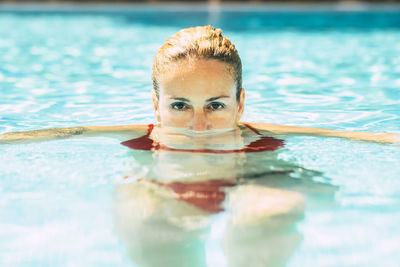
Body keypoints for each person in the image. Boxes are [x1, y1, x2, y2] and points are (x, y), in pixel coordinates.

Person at [0, 25, 399, 145]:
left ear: (240, 104)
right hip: (165, 197)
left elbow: (352, 137)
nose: (198, 125)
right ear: (155, 104)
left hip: (250, 185)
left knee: (268, 216)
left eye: (215, 105)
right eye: (179, 105)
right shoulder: (145, 135)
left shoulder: (257, 137)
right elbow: (64, 133)